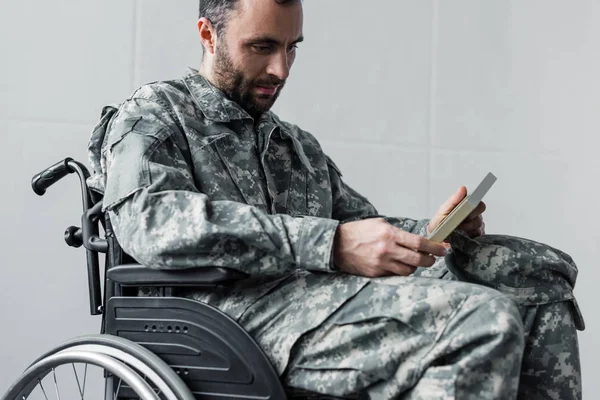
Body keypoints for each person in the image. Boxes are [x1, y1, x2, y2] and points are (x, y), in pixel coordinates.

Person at [86, 0, 584, 398]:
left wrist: (433, 229)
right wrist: (329, 244)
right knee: (481, 320)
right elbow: (152, 224)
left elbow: (359, 225)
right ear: (207, 34)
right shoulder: (153, 117)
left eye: (291, 48)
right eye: (261, 46)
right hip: (219, 318)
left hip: (314, 301)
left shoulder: (293, 145)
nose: (280, 68)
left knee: (540, 281)